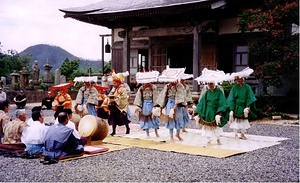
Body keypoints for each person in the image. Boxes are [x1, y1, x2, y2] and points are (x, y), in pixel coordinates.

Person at [227, 70, 257, 140]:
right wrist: (232, 108)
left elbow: (250, 97)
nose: (239, 80)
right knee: (235, 120)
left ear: (243, 79)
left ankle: (242, 134)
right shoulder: (234, 87)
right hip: (236, 106)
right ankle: (235, 134)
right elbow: (231, 98)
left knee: (244, 120)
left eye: (241, 79)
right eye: (238, 79)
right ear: (236, 80)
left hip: (244, 106)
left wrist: (248, 106)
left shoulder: (247, 87)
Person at [133, 71, 160, 138]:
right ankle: (147, 133)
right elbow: (139, 97)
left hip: (152, 103)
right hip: (144, 104)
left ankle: (156, 131)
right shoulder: (141, 88)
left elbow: (156, 96)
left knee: (154, 118)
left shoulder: (154, 87)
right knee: (145, 119)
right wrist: (139, 106)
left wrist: (155, 105)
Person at [106, 71, 131, 136]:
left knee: (123, 118)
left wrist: (115, 99)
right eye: (113, 83)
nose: (114, 84)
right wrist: (110, 98)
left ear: (118, 83)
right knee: (113, 118)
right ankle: (114, 131)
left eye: (115, 83)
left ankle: (127, 128)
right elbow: (110, 94)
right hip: (114, 106)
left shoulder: (123, 89)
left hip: (120, 106)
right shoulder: (114, 89)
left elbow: (123, 97)